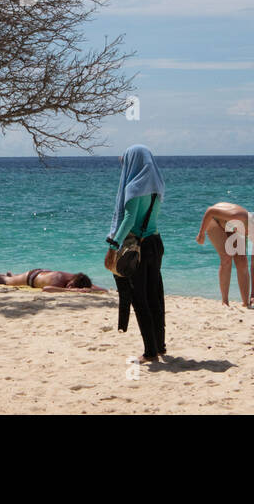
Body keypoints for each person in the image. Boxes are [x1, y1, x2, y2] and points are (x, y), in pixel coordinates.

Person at [104, 144, 166, 363]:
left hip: (136, 248)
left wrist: (113, 245)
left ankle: (150, 352)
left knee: (140, 299)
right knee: (155, 296)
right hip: (156, 243)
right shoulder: (157, 185)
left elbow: (129, 219)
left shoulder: (133, 187)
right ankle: (160, 346)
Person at [196, 202, 254, 307]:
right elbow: (210, 210)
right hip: (215, 220)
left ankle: (246, 303)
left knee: (242, 262)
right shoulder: (240, 216)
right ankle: (225, 302)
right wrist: (201, 233)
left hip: (231, 227)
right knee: (227, 257)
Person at [0, 264, 105, 292]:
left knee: (11, 278)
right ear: (72, 281)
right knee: (6, 282)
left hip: (42, 272)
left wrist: (92, 289)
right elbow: (47, 289)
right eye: (70, 286)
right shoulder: (59, 281)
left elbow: (102, 290)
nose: (69, 288)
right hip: (31, 278)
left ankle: (11, 274)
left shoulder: (76, 278)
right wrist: (73, 291)